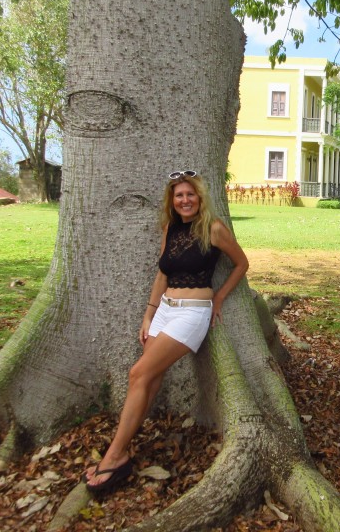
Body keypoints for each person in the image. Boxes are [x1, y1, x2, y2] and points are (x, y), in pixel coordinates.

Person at [84, 170, 249, 494]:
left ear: (199, 198)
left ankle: (115, 455)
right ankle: (124, 449)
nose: (185, 200)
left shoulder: (214, 229)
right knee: (148, 379)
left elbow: (242, 263)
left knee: (138, 374)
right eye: (179, 196)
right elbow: (162, 274)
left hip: (192, 314)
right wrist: (149, 314)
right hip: (164, 312)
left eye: (190, 194)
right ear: (172, 202)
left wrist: (218, 297)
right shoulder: (169, 229)